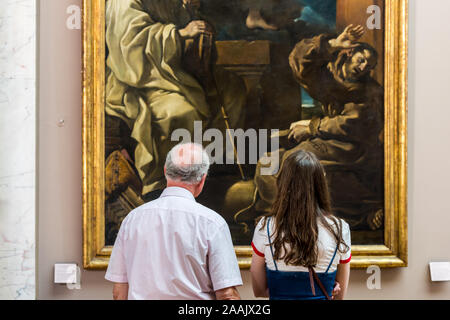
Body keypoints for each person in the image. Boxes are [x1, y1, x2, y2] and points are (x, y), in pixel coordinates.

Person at [105, 0, 246, 197]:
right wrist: (179, 34)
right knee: (180, 113)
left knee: (233, 89)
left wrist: (192, 15)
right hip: (141, 83)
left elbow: (186, 25)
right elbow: (129, 45)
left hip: (175, 73)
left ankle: (208, 171)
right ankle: (168, 187)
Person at [253, 25, 384, 231]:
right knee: (269, 162)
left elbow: (352, 124)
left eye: (369, 65)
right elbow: (299, 60)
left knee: (290, 163)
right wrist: (333, 44)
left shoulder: (370, 91)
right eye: (362, 60)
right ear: (349, 53)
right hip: (327, 138)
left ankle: (290, 221)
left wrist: (312, 127)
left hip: (351, 149)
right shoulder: (331, 72)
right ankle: (277, 217)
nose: (364, 67)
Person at [105, 143, 243, 300]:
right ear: (202, 179)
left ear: (165, 171)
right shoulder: (212, 223)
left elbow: (119, 293)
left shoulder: (132, 220)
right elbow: (227, 295)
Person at [250, 150, 351, 300]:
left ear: (283, 182)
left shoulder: (265, 226)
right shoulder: (340, 228)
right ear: (320, 184)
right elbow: (339, 295)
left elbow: (259, 291)